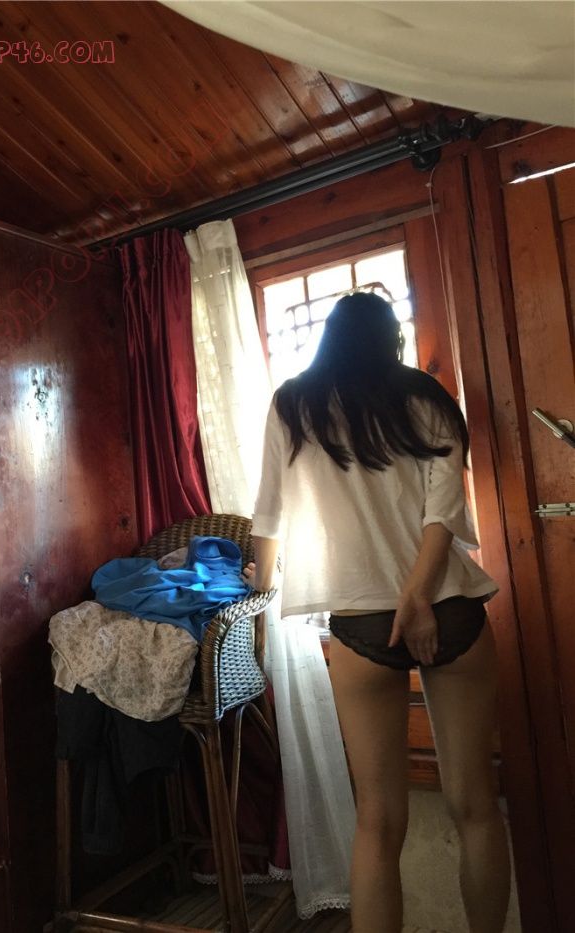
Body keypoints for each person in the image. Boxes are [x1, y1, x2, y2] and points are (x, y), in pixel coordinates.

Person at [245, 292, 510, 933]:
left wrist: (262, 582)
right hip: (451, 608)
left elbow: (269, 514)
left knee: (377, 822)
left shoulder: (294, 404)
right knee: (476, 806)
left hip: (360, 624)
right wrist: (418, 597)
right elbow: (442, 513)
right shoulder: (426, 398)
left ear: (329, 340)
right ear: (392, 340)